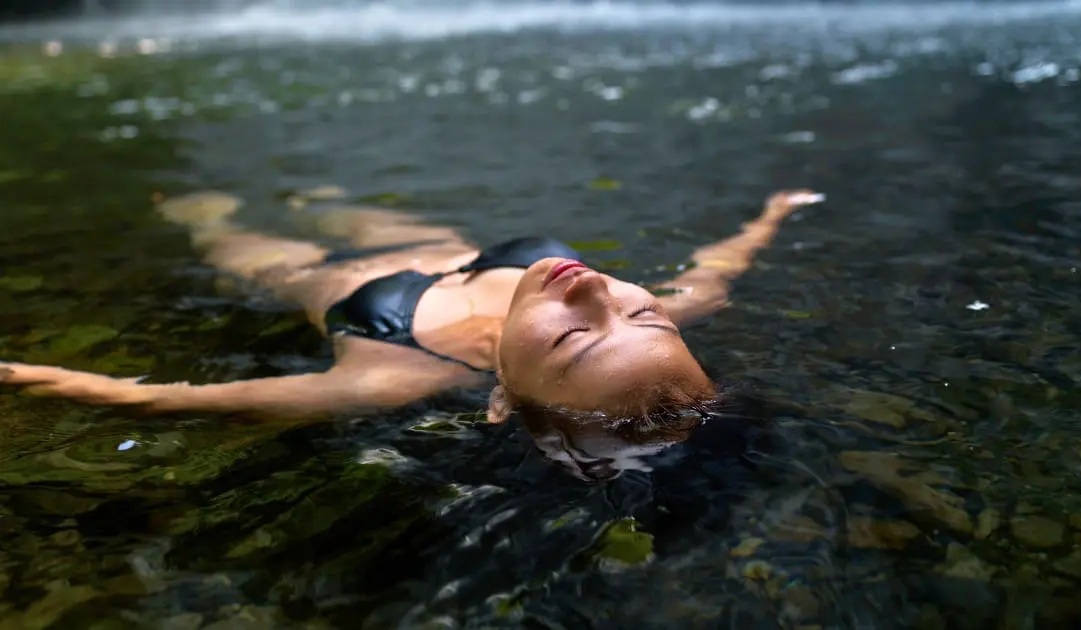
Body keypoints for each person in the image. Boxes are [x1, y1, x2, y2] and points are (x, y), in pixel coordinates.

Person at [0, 187, 823, 432]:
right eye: (646, 316)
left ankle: (197, 211)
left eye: (574, 338)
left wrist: (26, 374)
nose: (594, 289)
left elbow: (162, 400)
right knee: (331, 199)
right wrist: (775, 212)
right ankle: (316, 196)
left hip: (311, 274)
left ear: (503, 398)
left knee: (216, 225)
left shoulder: (386, 376)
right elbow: (718, 272)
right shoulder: (639, 305)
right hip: (424, 240)